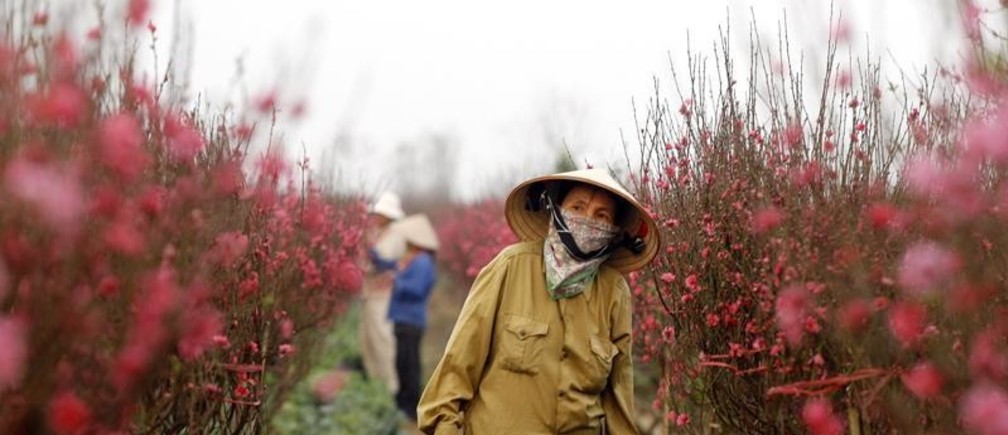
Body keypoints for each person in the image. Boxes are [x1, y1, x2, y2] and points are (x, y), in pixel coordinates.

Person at [417, 168, 660, 435]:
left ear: (613, 231)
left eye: (601, 216)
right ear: (556, 210)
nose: (588, 220)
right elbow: (458, 366)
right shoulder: (510, 266)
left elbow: (618, 393)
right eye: (577, 208)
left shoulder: (614, 291)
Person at [373, 214, 440, 423]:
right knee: (402, 362)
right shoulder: (412, 260)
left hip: (411, 320)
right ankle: (403, 402)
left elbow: (417, 290)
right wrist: (373, 253)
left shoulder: (422, 262)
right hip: (403, 320)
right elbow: (389, 265)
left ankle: (411, 407)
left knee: (409, 364)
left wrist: (397, 281)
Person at [358, 192, 406, 394]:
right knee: (367, 337)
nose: (377, 216)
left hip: (383, 294)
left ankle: (389, 386)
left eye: (381, 213)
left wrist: (373, 257)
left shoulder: (395, 235)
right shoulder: (376, 232)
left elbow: (387, 262)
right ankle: (374, 381)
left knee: (382, 336)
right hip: (370, 292)